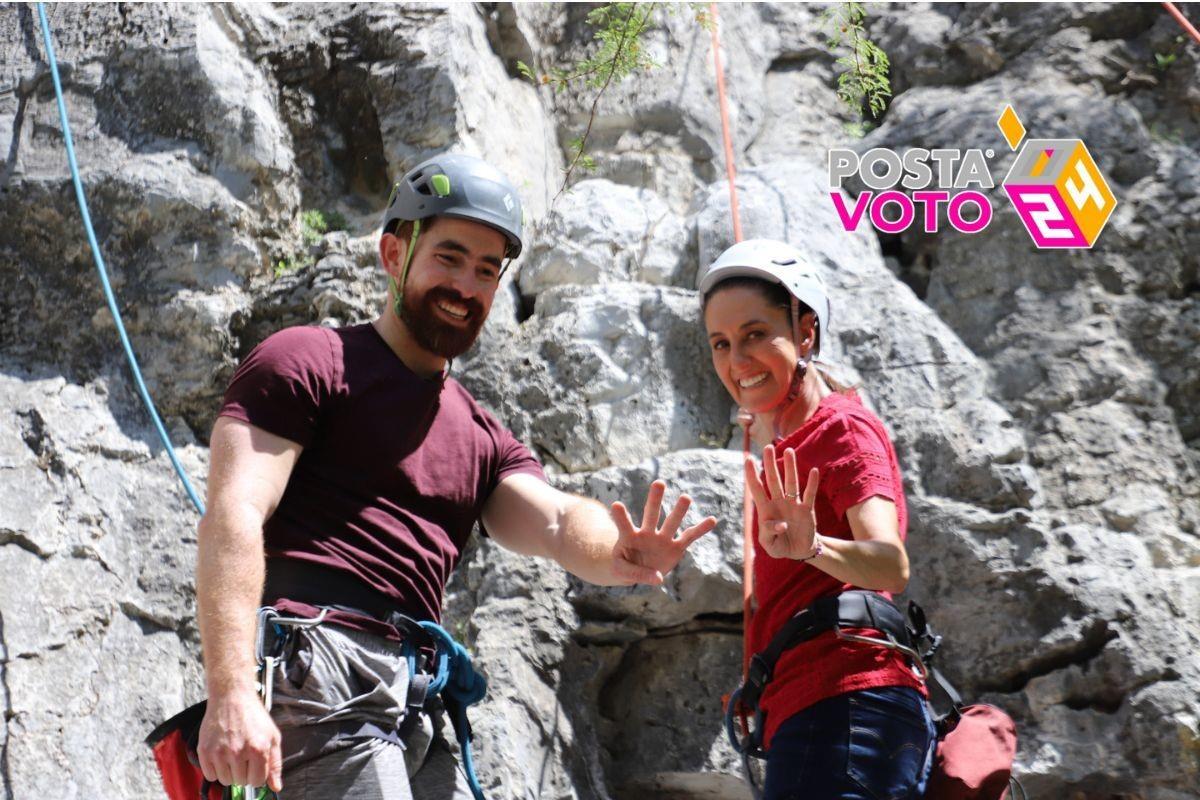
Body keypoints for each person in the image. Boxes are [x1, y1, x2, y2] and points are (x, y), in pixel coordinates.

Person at [194, 153, 717, 798]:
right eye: (449, 257)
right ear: (394, 254)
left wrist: (618, 551)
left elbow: (553, 519)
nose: (466, 286)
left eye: (486, 271)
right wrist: (230, 691)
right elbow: (235, 514)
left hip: (418, 699)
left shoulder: (481, 435)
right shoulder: (308, 360)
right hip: (320, 669)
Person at [699, 239, 935, 800]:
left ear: (805, 332)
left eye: (756, 334)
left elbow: (889, 565)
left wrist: (812, 548)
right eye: (721, 344)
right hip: (818, 708)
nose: (737, 361)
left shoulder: (843, 429)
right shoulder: (788, 449)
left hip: (847, 700)